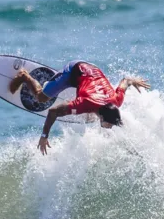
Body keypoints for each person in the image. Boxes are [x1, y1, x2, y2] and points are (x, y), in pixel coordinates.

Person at [9, 60, 150, 155]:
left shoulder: (117, 100)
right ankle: (24, 76)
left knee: (87, 114)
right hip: (74, 71)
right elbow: (53, 112)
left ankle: (77, 89)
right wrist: (44, 136)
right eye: (110, 124)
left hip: (92, 70)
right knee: (42, 98)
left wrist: (134, 81)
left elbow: (126, 81)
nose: (111, 127)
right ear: (102, 116)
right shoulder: (86, 104)